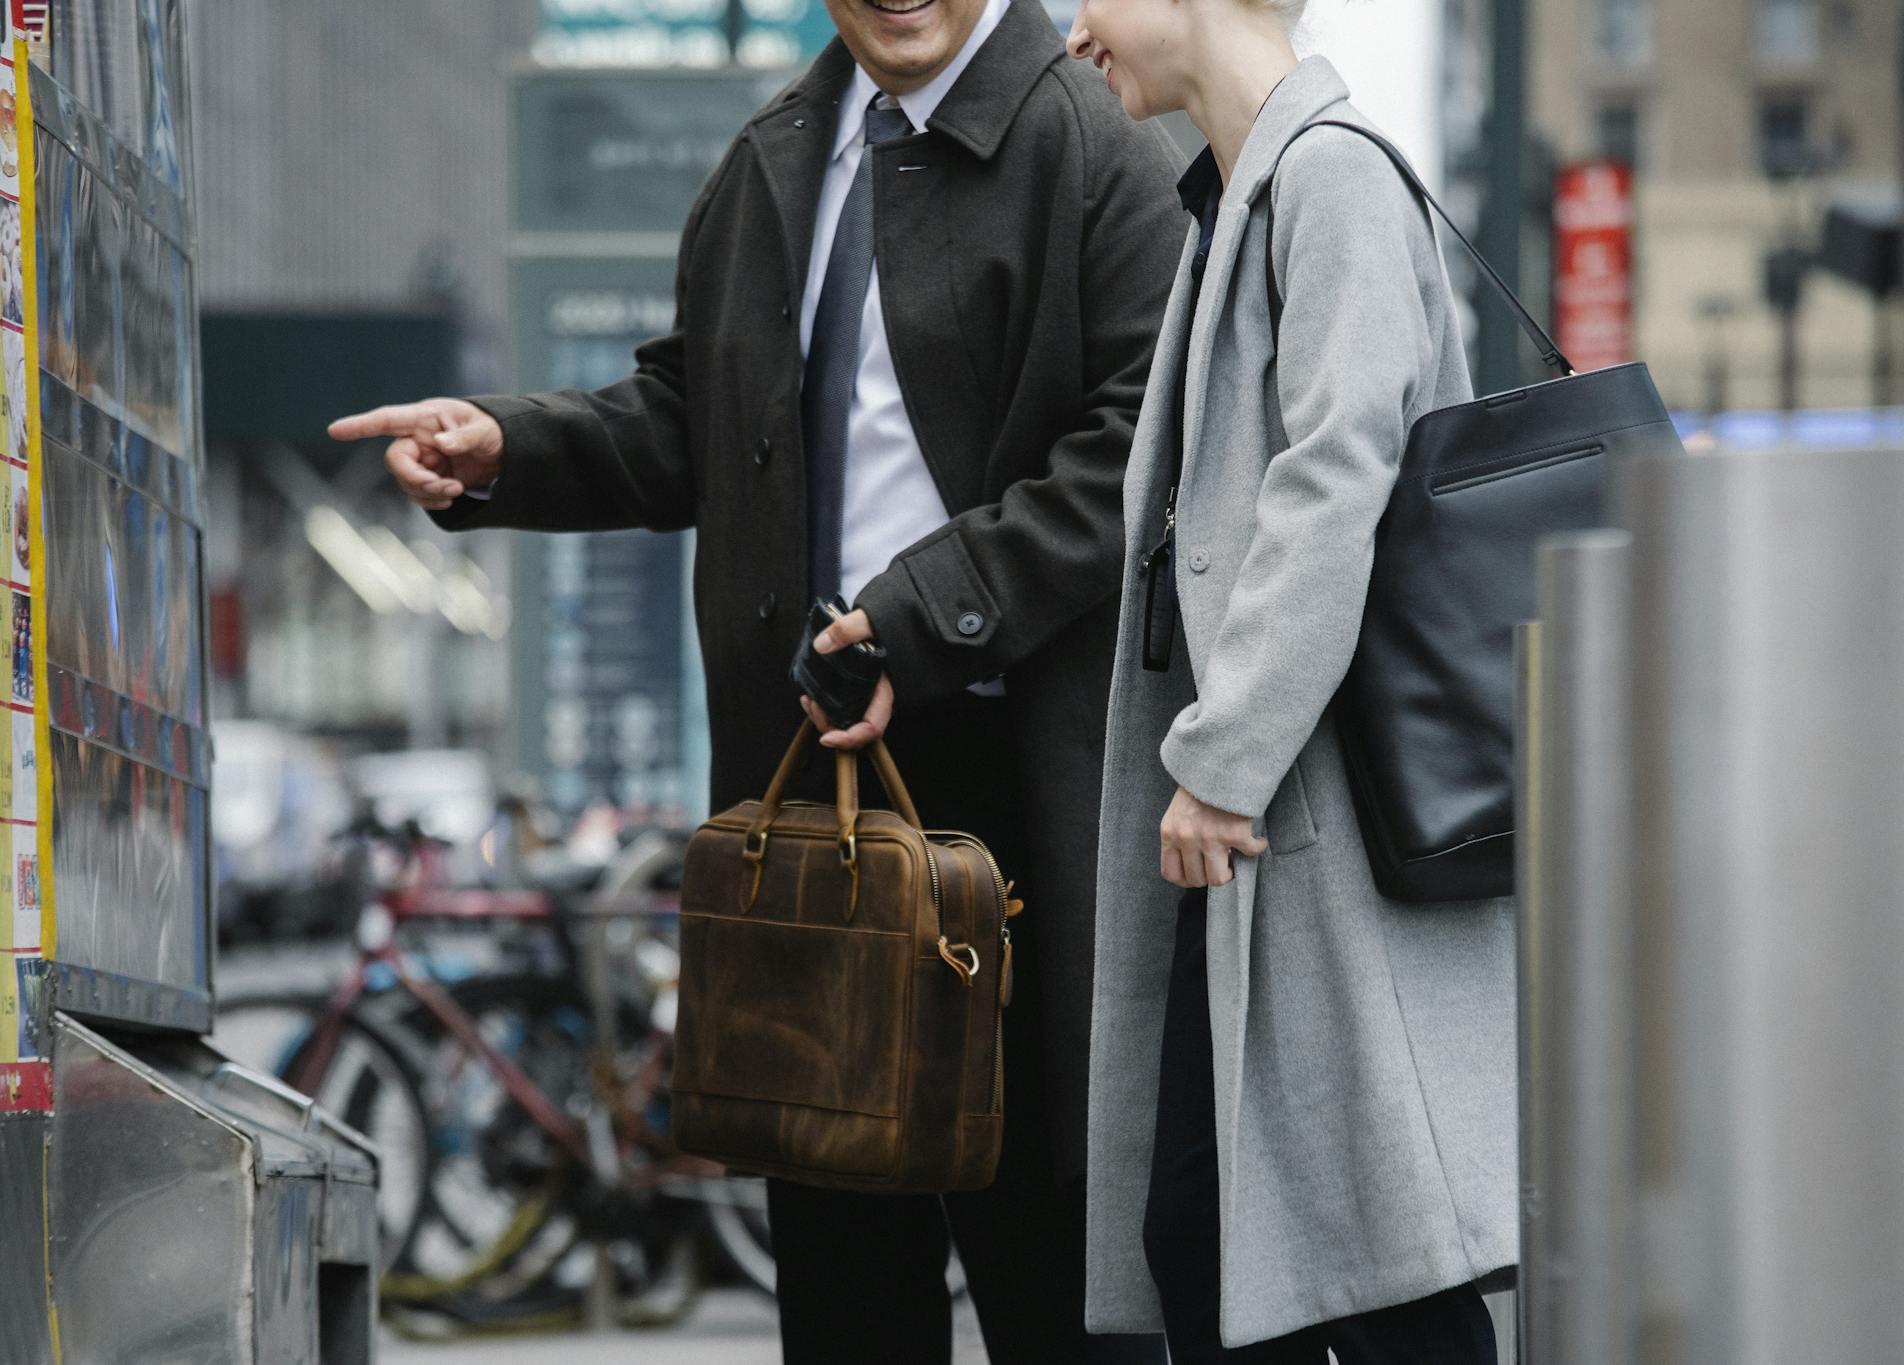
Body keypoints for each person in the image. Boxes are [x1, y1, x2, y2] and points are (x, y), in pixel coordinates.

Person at [327, 1, 1183, 1359]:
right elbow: (692, 421)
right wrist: (507, 449)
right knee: (842, 1293)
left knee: (1056, 1291)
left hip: (1019, 812)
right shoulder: (778, 151)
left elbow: (1144, 449)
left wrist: (919, 615)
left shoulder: (1093, 147)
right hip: (805, 802)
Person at [1065, 0, 1517, 1360]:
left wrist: (1222, 758)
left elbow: (1334, 481)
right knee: (1235, 1247)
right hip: (1274, 834)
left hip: (1301, 821)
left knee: (1368, 1272)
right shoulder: (1246, 197)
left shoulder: (1329, 174)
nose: (1078, 32)